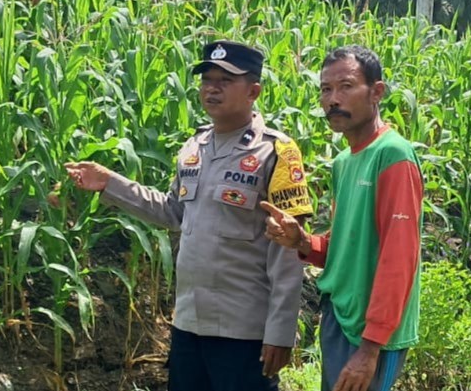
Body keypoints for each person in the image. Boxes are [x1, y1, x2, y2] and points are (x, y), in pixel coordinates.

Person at [63, 40, 314, 391]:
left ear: (253, 91)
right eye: (207, 79)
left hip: (243, 331)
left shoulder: (275, 152)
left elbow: (289, 250)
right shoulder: (194, 147)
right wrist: (110, 183)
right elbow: (173, 212)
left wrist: (281, 333)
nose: (212, 88)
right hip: (189, 325)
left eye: (225, 80)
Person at [261, 45, 423, 391]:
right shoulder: (343, 162)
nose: (333, 99)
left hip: (371, 334)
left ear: (376, 92)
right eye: (326, 89)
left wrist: (370, 348)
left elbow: (399, 257)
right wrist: (303, 241)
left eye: (346, 87)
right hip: (340, 317)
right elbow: (346, 247)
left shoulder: (393, 155)